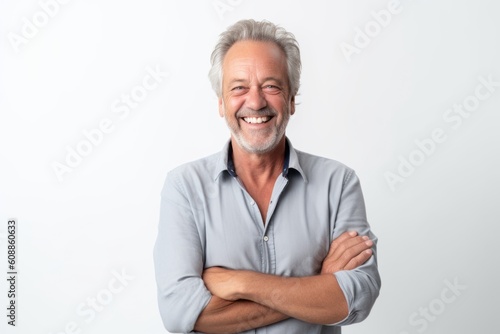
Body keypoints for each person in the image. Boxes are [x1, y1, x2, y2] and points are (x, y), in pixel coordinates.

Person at [153, 19, 381, 333]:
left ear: (291, 100)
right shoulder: (184, 188)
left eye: (271, 86)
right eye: (239, 88)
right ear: (221, 102)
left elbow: (357, 298)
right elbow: (179, 314)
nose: (256, 101)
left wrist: (240, 283)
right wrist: (319, 286)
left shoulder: (338, 184)